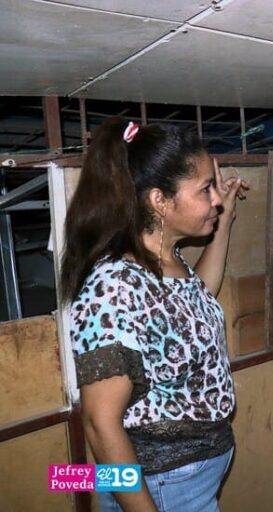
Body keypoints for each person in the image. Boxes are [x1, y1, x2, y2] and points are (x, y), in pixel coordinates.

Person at [60, 117, 248, 512]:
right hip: (162, 485)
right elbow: (99, 422)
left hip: (191, 476)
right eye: (205, 189)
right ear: (159, 201)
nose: (216, 198)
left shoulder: (165, 259)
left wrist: (224, 221)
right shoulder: (114, 287)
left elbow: (194, 304)